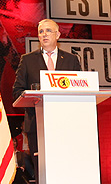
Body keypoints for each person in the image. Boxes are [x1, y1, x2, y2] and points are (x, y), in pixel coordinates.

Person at [12, 19, 82, 155]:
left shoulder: (71, 60)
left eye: (48, 31)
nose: (44, 34)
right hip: (37, 124)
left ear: (57, 35)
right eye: (41, 32)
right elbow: (17, 92)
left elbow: (79, 90)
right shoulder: (27, 60)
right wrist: (35, 98)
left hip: (66, 124)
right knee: (40, 165)